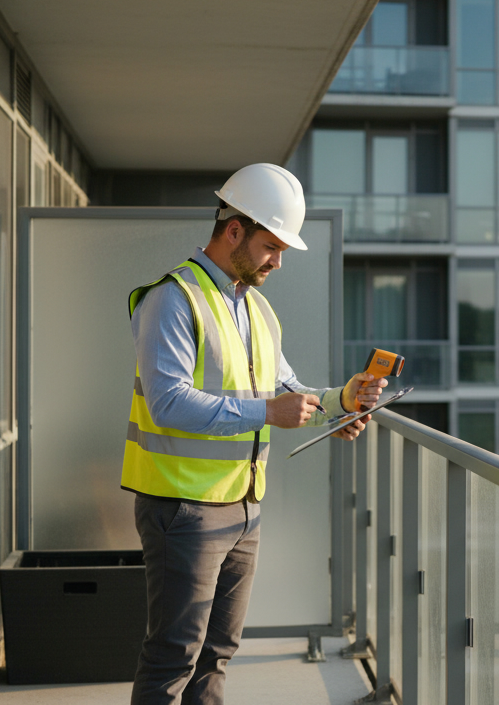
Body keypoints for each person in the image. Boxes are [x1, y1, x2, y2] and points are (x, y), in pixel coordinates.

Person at [121, 163, 383, 704]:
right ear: (233, 229)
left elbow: (286, 388)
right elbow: (169, 403)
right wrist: (268, 414)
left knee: (217, 654)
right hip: (182, 507)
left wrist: (341, 401)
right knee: (174, 654)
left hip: (243, 507)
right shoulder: (172, 299)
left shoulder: (257, 308)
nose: (278, 261)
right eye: (271, 245)